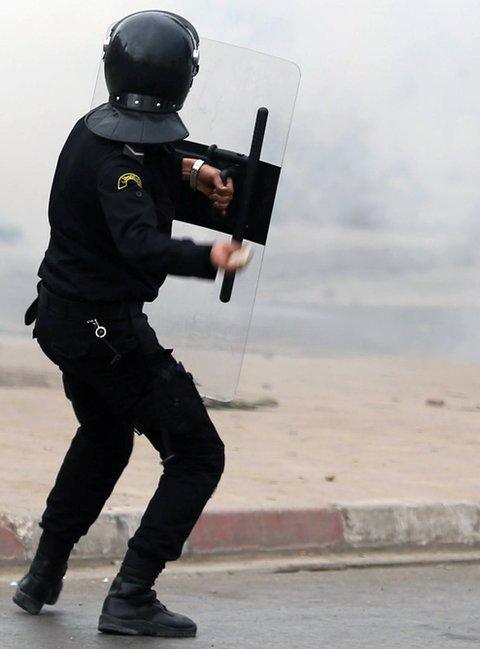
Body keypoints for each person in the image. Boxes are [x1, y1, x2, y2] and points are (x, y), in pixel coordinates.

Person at [12, 11, 245, 638]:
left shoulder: (93, 131)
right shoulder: (121, 161)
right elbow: (139, 238)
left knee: (107, 435)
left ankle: (42, 574)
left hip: (64, 321)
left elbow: (148, 155)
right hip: (104, 333)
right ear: (182, 79)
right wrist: (210, 256)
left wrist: (196, 173)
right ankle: (132, 594)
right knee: (198, 454)